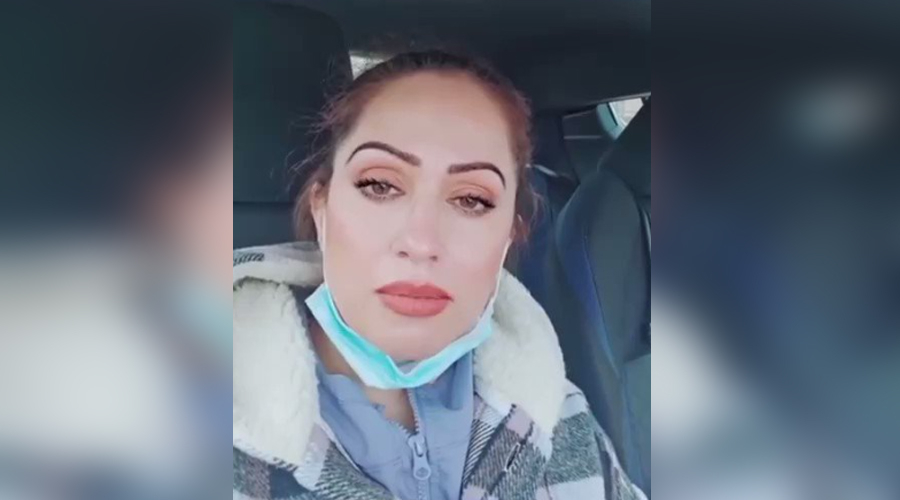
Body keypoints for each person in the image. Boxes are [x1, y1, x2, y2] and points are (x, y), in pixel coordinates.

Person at [232, 51, 647, 500]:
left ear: (509, 235)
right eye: (380, 185)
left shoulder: (558, 415)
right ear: (322, 209)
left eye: (471, 200)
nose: (421, 241)